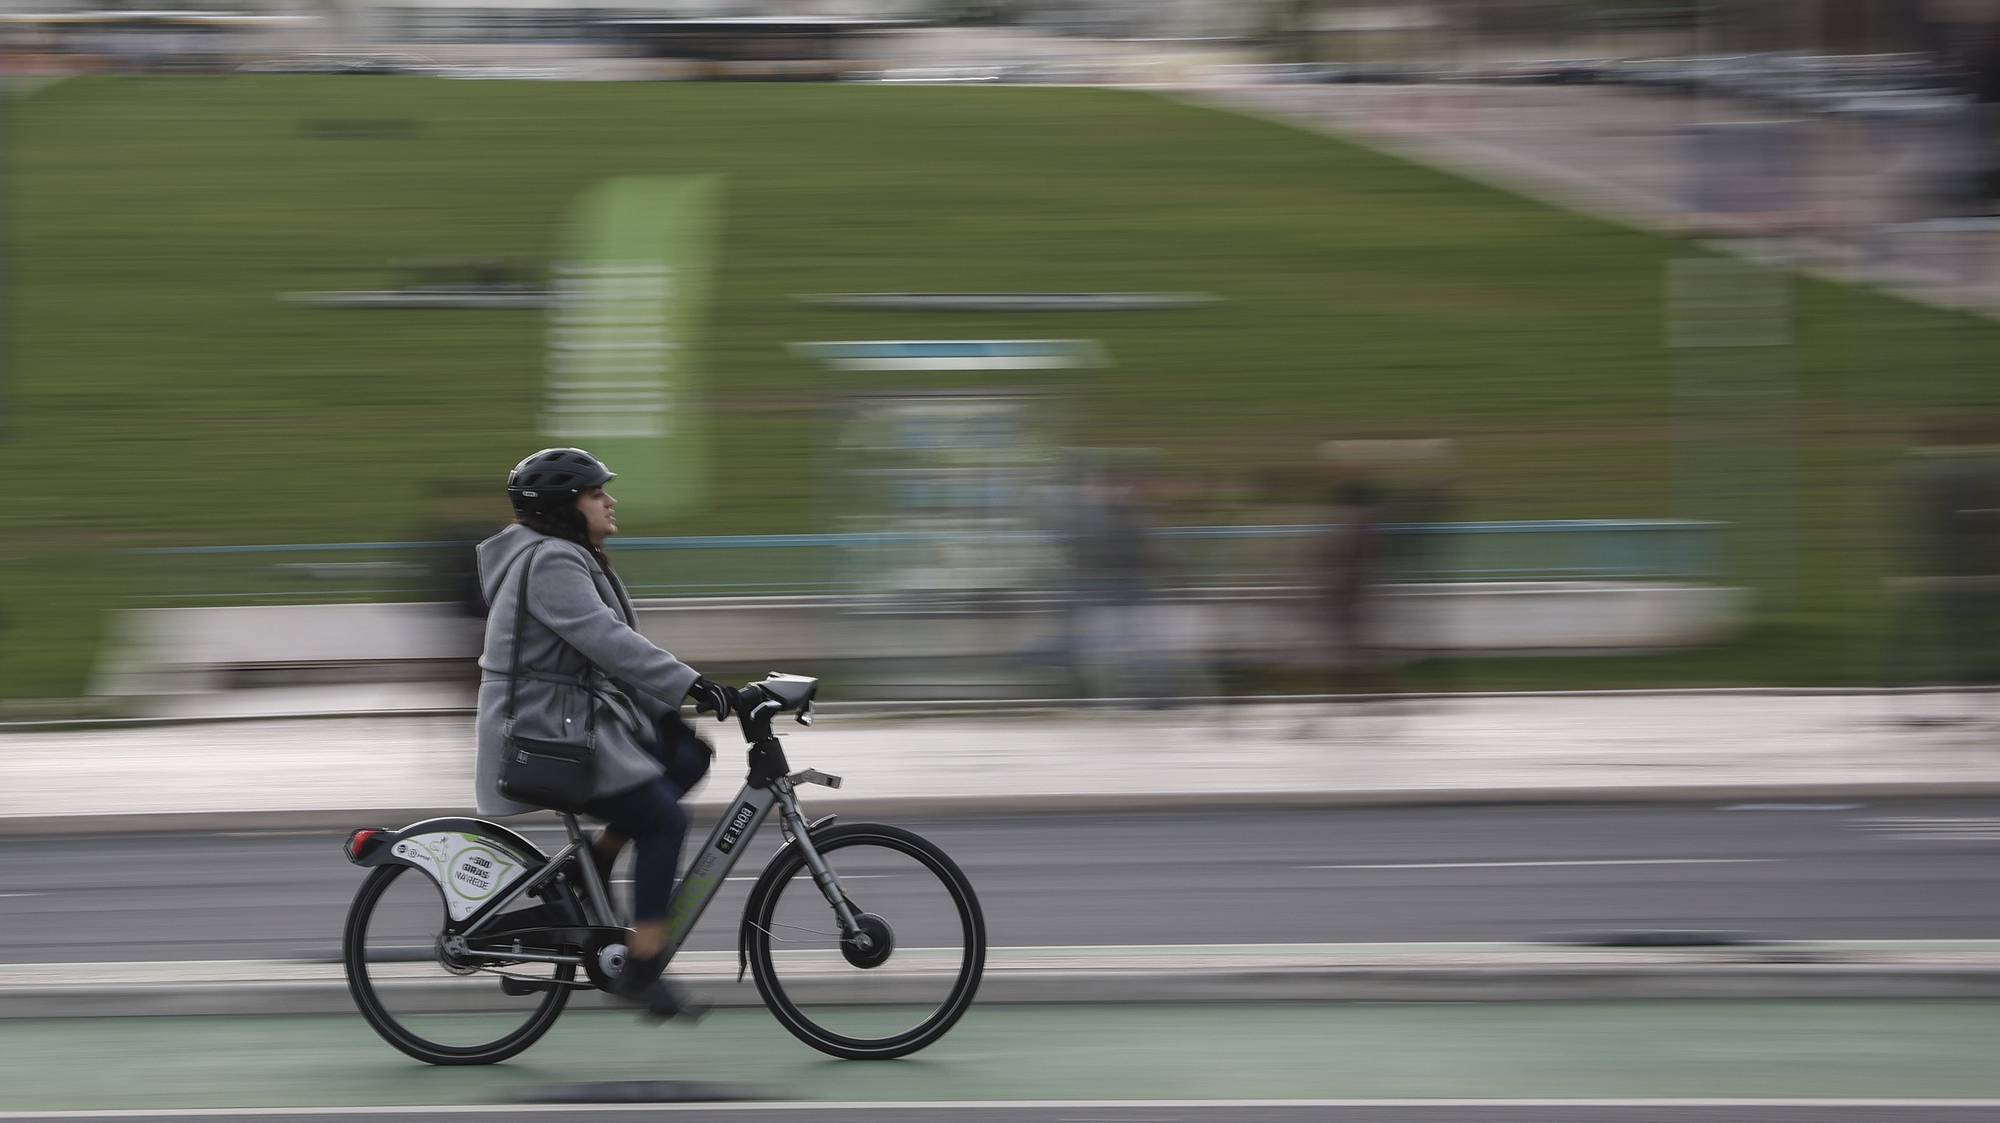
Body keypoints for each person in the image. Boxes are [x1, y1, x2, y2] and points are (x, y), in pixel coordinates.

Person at [475, 447, 741, 1019]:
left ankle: (590, 863)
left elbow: (605, 655)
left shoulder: (560, 552)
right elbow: (606, 641)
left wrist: (675, 708)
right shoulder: (551, 561)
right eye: (597, 493)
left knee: (684, 755)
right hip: (544, 730)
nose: (609, 500)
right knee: (664, 818)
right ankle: (643, 965)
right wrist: (695, 685)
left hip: (569, 714)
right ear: (565, 507)